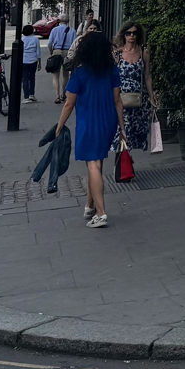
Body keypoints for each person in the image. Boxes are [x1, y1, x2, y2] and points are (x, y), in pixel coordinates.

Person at [55, 30, 124, 227]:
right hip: (108, 120)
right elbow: (118, 100)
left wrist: (60, 125)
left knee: (92, 165)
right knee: (97, 164)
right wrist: (122, 127)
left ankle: (101, 213)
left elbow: (69, 104)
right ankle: (89, 205)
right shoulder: (112, 70)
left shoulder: (80, 73)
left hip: (88, 122)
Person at [114, 22, 156, 151]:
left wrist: (151, 97)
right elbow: (112, 76)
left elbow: (147, 76)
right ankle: (121, 166)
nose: (131, 36)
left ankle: (126, 165)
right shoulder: (117, 54)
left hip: (138, 99)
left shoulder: (144, 52)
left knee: (133, 135)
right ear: (124, 35)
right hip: (120, 98)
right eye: (128, 33)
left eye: (134, 33)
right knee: (122, 133)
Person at [47, 15, 76, 101]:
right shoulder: (72, 31)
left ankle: (57, 95)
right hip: (67, 52)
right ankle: (63, 93)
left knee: (55, 75)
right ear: (68, 21)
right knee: (66, 75)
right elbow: (74, 44)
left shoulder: (55, 30)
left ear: (59, 20)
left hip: (56, 51)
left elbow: (49, 43)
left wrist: (51, 52)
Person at [19, 24, 41, 102]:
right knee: (32, 78)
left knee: (24, 78)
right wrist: (39, 62)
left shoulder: (21, 39)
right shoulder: (35, 40)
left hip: (24, 60)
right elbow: (38, 52)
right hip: (33, 60)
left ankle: (26, 96)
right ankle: (32, 94)